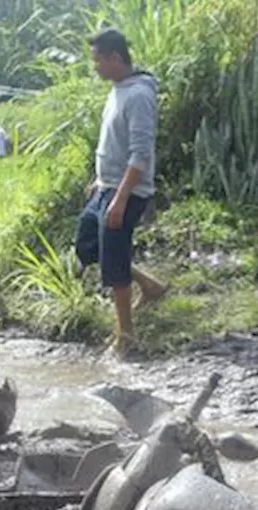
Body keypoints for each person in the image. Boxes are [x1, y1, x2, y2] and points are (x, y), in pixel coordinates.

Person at [76, 27, 168, 358]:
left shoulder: (139, 95)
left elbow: (140, 154)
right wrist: (100, 180)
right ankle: (150, 286)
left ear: (115, 58)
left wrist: (121, 197)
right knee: (87, 245)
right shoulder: (117, 89)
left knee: (113, 260)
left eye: (98, 60)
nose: (95, 66)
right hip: (107, 185)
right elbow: (113, 142)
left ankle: (126, 336)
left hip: (127, 189)